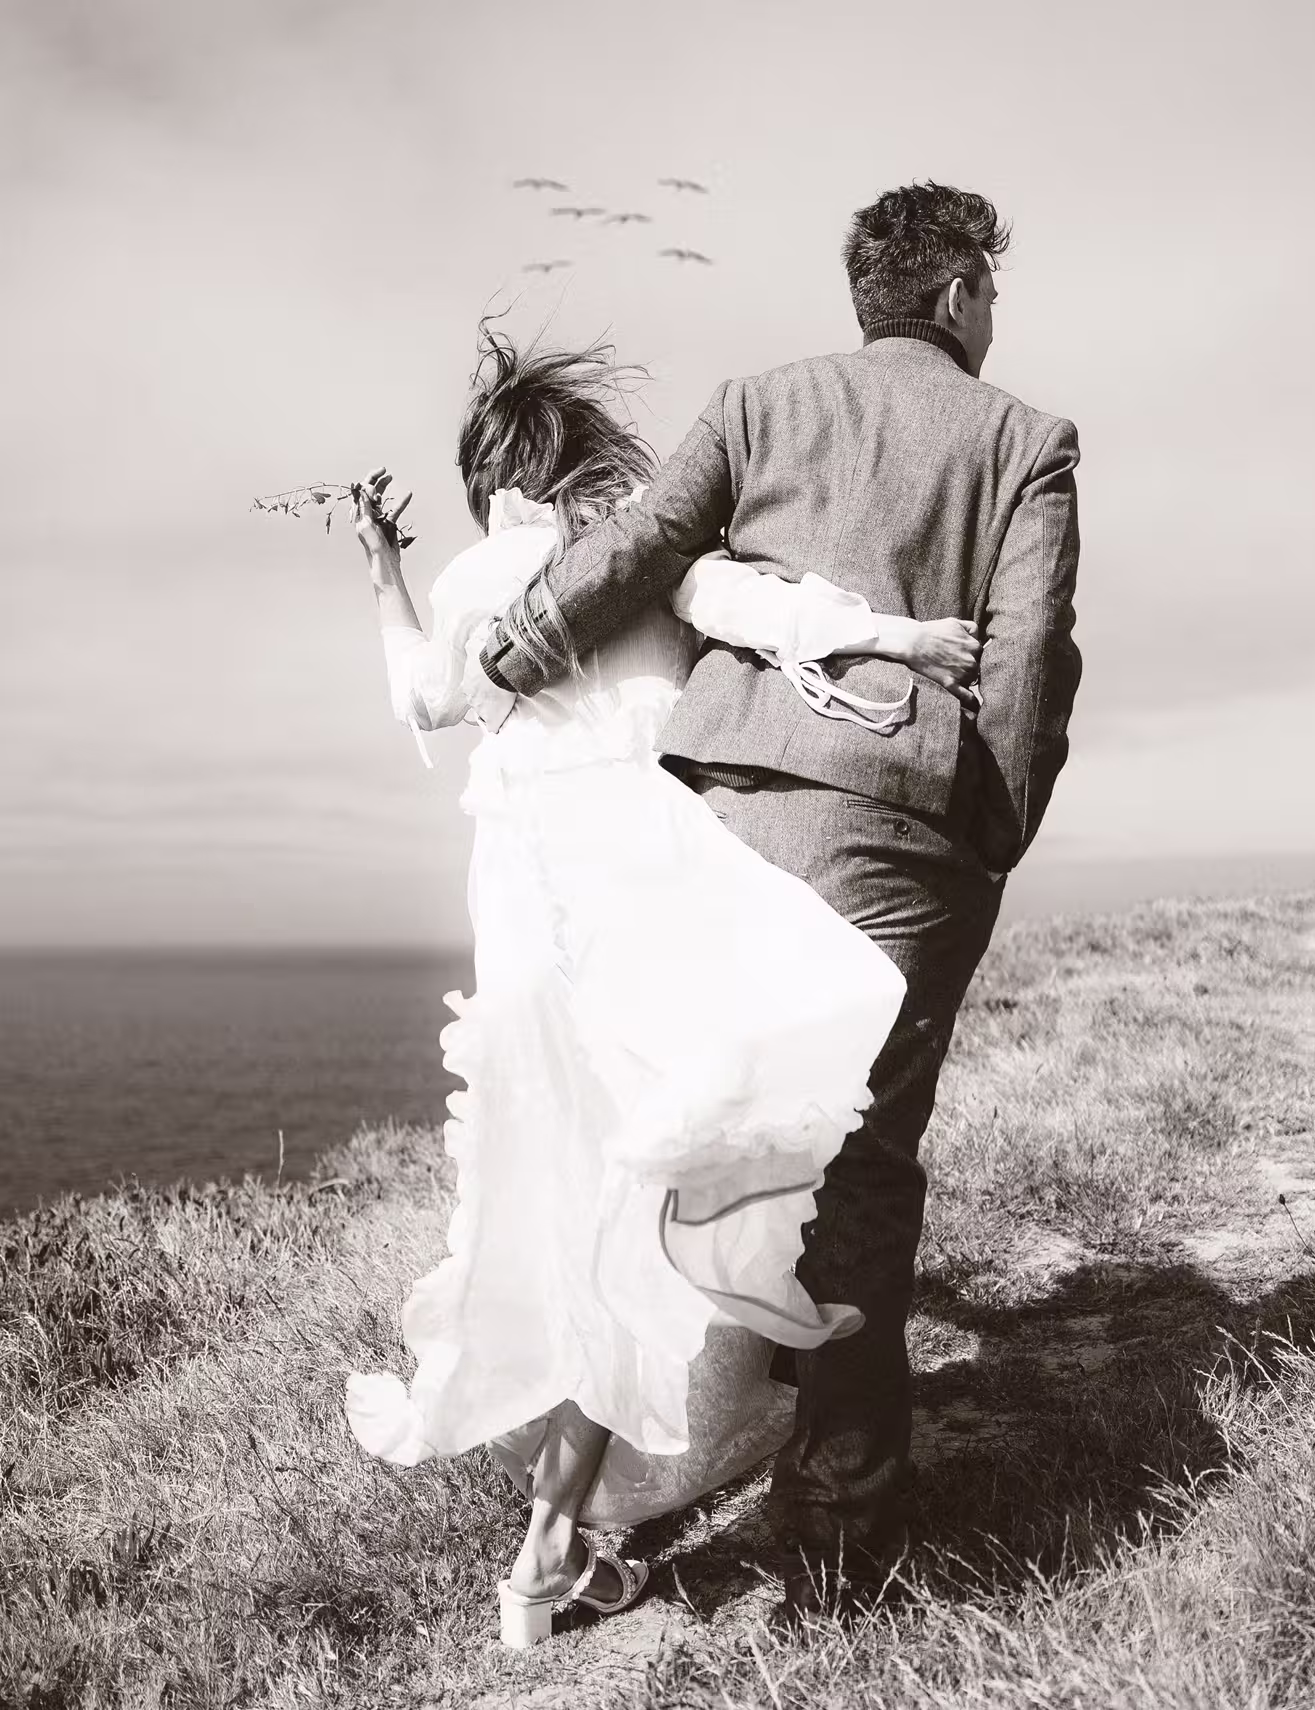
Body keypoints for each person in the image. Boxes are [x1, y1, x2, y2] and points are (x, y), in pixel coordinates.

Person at [475, 182, 1083, 1623]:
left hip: (723, 818)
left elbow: (640, 551)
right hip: (899, 834)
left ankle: (622, 1492)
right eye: (990, 290)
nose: (996, 315)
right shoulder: (1026, 441)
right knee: (860, 1173)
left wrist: (518, 644)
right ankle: (836, 1543)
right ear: (952, 297)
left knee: (706, 1149)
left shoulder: (759, 403)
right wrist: (984, 824)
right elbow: (1032, 662)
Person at [341, 331, 985, 1646]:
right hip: (656, 943)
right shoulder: (636, 555)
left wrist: (384, 573)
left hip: (528, 965)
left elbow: (418, 691)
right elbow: (756, 611)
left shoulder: (479, 581)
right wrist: (896, 637)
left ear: (490, 484)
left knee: (610, 1251)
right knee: (695, 1216)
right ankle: (615, 1514)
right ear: (578, 462)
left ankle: (553, 1561)